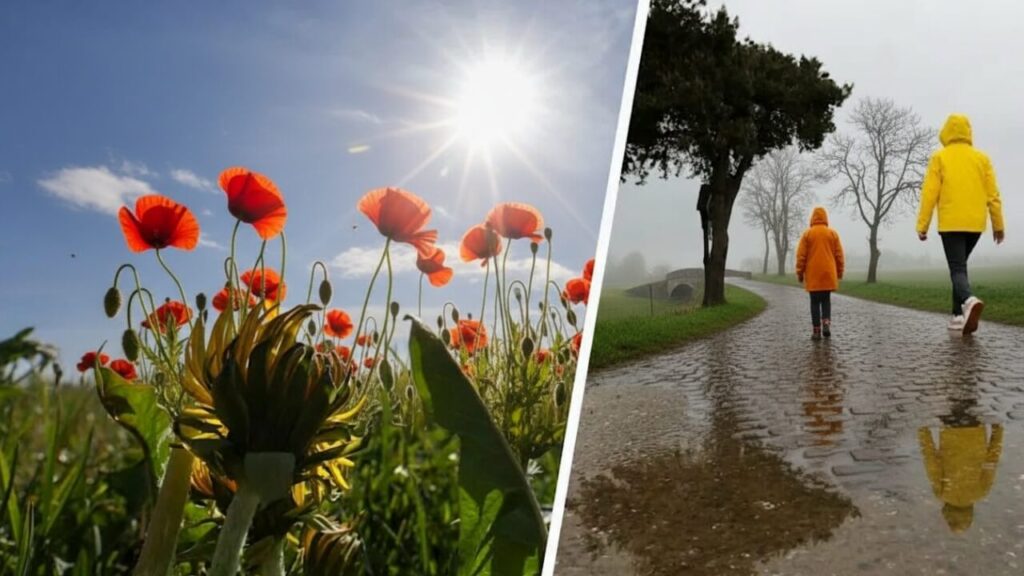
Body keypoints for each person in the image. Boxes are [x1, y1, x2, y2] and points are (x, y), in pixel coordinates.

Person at [916, 113, 1005, 335]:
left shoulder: (940, 157)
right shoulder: (982, 158)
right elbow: (993, 194)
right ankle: (957, 317)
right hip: (975, 224)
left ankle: (967, 300)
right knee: (960, 268)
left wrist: (923, 225)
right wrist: (998, 224)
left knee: (956, 268)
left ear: (946, 132)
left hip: (951, 223)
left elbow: (930, 194)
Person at [795, 206, 845, 340]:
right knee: (826, 300)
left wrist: (800, 273)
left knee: (814, 303)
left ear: (812, 218)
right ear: (825, 218)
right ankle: (826, 323)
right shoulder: (832, 234)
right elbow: (839, 255)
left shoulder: (807, 234)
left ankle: (816, 331)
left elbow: (801, 256)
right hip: (828, 274)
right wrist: (839, 272)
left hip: (813, 275)